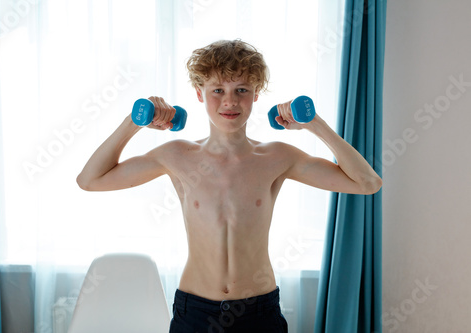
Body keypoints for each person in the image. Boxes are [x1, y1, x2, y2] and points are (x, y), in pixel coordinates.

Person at [76, 39, 382, 333]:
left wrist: (314, 123)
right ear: (199, 93)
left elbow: (367, 183)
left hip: (259, 313)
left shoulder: (277, 156)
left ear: (256, 94)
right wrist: (135, 121)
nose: (230, 101)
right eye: (218, 90)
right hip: (195, 312)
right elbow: (90, 180)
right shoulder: (177, 155)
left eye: (242, 90)